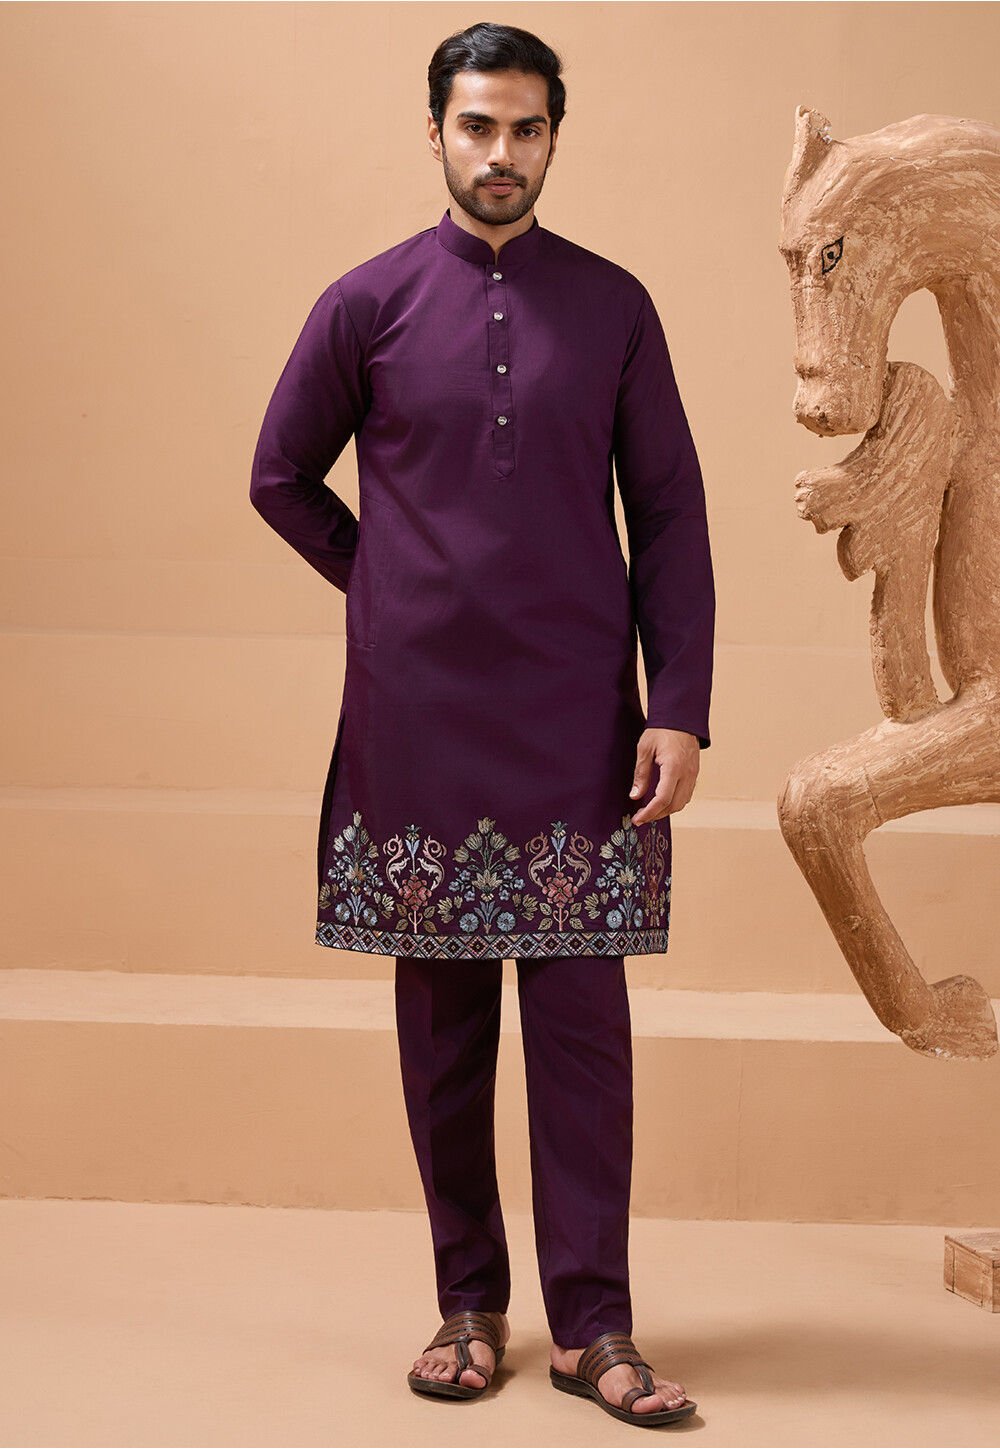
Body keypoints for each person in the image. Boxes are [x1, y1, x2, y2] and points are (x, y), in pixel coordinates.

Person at [250, 20, 712, 1428]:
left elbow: (670, 513)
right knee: (443, 1031)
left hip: (581, 720)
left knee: (582, 1031)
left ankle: (595, 1326)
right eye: (476, 126)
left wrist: (679, 707)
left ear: (554, 137)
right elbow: (280, 475)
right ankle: (468, 1306)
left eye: (524, 128)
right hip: (420, 718)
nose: (499, 153)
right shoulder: (368, 302)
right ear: (436, 132)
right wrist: (384, 582)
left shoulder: (614, 306)